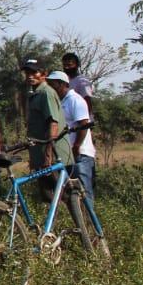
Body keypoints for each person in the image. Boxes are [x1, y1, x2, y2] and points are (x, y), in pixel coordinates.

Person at [23, 60, 73, 197]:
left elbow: (53, 124)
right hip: (41, 155)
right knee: (47, 195)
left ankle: (79, 218)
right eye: (27, 73)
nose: (30, 76)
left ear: (44, 74)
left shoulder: (46, 93)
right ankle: (56, 218)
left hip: (53, 156)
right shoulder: (34, 95)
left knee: (63, 195)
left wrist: (48, 156)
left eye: (34, 72)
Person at [47, 71, 96, 204]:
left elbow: (84, 125)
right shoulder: (60, 102)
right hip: (68, 155)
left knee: (83, 192)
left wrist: (77, 146)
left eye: (53, 84)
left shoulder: (75, 100)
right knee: (71, 193)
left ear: (62, 84)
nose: (51, 87)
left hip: (80, 154)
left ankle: (89, 221)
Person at [61, 52, 95, 117]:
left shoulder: (82, 82)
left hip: (80, 120)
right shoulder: (64, 81)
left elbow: (87, 101)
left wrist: (85, 121)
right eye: (64, 65)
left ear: (77, 65)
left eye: (69, 65)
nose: (67, 67)